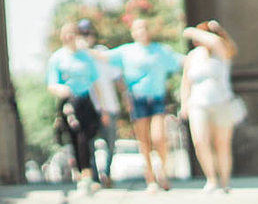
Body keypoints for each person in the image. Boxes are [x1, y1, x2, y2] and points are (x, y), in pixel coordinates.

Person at [107, 14, 182, 192]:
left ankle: (162, 171)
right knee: (144, 141)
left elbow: (180, 61)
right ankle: (150, 177)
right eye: (137, 29)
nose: (141, 32)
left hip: (156, 98)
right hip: (137, 99)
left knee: (159, 137)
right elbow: (103, 58)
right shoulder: (126, 51)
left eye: (144, 28)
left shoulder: (160, 50)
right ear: (133, 32)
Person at [180, 19, 242, 192]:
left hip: (222, 103)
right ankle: (211, 179)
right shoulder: (193, 56)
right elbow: (186, 82)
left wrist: (196, 30)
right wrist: (184, 103)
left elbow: (216, 42)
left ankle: (225, 181)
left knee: (222, 144)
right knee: (200, 141)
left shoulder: (221, 51)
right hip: (198, 104)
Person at [45, 20, 103, 194]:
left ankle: (88, 171)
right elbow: (51, 84)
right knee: (78, 135)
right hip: (69, 101)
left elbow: (95, 83)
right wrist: (61, 89)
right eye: (66, 33)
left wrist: (101, 107)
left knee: (90, 135)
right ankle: (84, 173)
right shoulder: (57, 58)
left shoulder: (85, 57)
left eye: (73, 33)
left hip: (86, 100)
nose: (70, 37)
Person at [75, 19, 119, 182]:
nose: (86, 37)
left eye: (88, 34)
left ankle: (106, 173)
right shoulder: (76, 58)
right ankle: (93, 176)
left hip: (108, 105)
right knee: (89, 143)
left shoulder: (101, 52)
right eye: (82, 34)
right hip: (88, 107)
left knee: (110, 143)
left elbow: (116, 76)